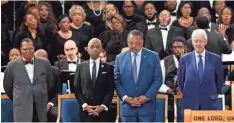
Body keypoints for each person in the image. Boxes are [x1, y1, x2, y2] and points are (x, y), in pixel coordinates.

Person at [114, 30, 162, 122]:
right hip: (127, 109)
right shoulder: (119, 58)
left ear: (142, 42)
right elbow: (117, 81)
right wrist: (125, 98)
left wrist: (146, 97)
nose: (133, 46)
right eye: (131, 43)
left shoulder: (153, 56)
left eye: (137, 43)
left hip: (147, 108)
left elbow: (158, 79)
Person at [3, 38, 53, 122]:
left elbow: (50, 83)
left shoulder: (45, 63)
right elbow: (7, 87)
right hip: (21, 107)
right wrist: (19, 98)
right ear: (21, 50)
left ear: (34, 48)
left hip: (40, 106)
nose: (28, 51)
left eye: (30, 48)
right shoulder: (12, 65)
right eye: (25, 49)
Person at [177, 29, 224, 112]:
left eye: (201, 41)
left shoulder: (216, 59)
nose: (198, 44)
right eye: (196, 41)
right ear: (192, 42)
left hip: (209, 102)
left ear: (205, 42)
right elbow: (180, 81)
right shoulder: (184, 59)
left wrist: (212, 94)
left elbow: (219, 81)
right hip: (190, 102)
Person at [74, 38, 114, 122]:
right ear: (87, 49)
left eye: (97, 47)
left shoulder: (109, 67)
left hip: (103, 112)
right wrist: (85, 106)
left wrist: (102, 106)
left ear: (101, 49)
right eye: (92, 47)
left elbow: (110, 90)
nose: (95, 49)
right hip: (85, 111)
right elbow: (77, 89)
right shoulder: (80, 67)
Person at [34, 49, 61, 122]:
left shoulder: (55, 71)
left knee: (54, 113)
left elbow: (58, 92)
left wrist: (50, 104)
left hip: (50, 103)